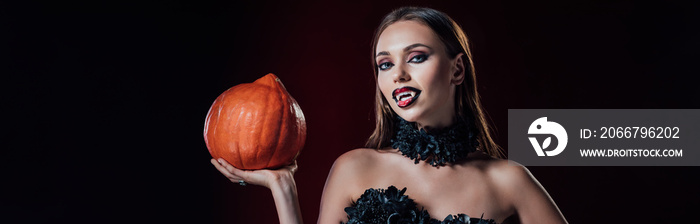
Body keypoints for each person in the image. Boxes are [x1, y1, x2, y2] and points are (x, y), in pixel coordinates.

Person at [211, 7, 567, 224]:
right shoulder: (354, 168)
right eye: (384, 64)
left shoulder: (508, 180)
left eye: (416, 57)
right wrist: (283, 188)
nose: (397, 74)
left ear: (457, 70)